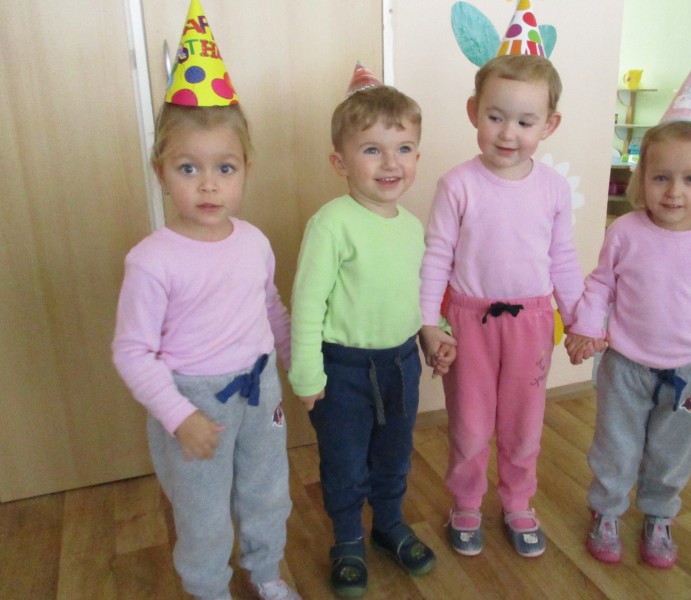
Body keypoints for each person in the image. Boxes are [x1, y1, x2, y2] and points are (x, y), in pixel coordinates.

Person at [111, 31, 302, 598]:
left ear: (246, 168)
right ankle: (209, 589)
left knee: (267, 490)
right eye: (188, 168)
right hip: (194, 402)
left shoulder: (254, 241)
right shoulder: (152, 260)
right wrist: (179, 416)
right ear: (161, 171)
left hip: (260, 390)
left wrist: (297, 366)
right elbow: (132, 351)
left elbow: (270, 307)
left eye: (225, 168)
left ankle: (265, 572)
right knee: (202, 511)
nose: (209, 184)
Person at [289, 74, 450, 598]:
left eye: (403, 148)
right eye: (372, 150)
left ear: (417, 156)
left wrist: (435, 334)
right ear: (340, 162)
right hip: (343, 371)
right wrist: (307, 374)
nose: (390, 163)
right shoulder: (331, 224)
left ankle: (388, 525)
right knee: (344, 464)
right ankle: (347, 540)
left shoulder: (412, 226)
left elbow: (420, 293)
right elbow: (307, 305)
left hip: (401, 364)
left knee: (394, 456)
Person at [419, 54, 585, 558]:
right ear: (474, 112)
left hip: (532, 324)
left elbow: (563, 258)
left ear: (549, 124)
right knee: (470, 425)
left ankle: (517, 501)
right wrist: (428, 323)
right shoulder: (457, 185)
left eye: (525, 121)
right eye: (495, 116)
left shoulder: (553, 189)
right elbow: (436, 258)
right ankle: (466, 502)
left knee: (523, 425)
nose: (508, 133)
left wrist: (579, 319)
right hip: (468, 323)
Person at [566, 120, 691, 569]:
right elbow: (601, 284)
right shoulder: (625, 231)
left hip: (690, 373)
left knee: (672, 452)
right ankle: (606, 511)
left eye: (690, 179)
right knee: (615, 446)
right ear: (642, 178)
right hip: (624, 367)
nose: (674, 192)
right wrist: (587, 326)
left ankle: (659, 515)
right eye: (661, 177)